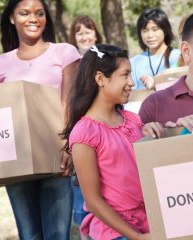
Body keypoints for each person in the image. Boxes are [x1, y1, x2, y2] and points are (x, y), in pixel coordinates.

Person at [0, 0, 81, 239]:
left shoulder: (64, 52)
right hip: (16, 162)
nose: (33, 19)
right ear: (11, 18)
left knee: (58, 235)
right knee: (29, 235)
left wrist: (67, 144)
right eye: (25, 13)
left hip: (56, 157)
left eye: (39, 13)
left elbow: (70, 101)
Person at [60, 44, 161, 240]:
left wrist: (152, 134)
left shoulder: (133, 120)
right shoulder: (84, 133)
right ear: (100, 79)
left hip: (149, 223)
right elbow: (93, 200)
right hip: (116, 232)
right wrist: (136, 237)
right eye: (125, 75)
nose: (131, 82)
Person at [68, 14, 103, 240]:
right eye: (79, 32)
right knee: (83, 193)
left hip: (105, 133)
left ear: (96, 33)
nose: (84, 36)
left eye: (88, 31)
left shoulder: (107, 58)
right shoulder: (70, 66)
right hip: (81, 135)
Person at [130, 8, 181, 90]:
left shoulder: (179, 57)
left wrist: (157, 85)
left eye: (155, 29)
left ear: (165, 30)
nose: (150, 35)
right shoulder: (134, 62)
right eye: (145, 30)